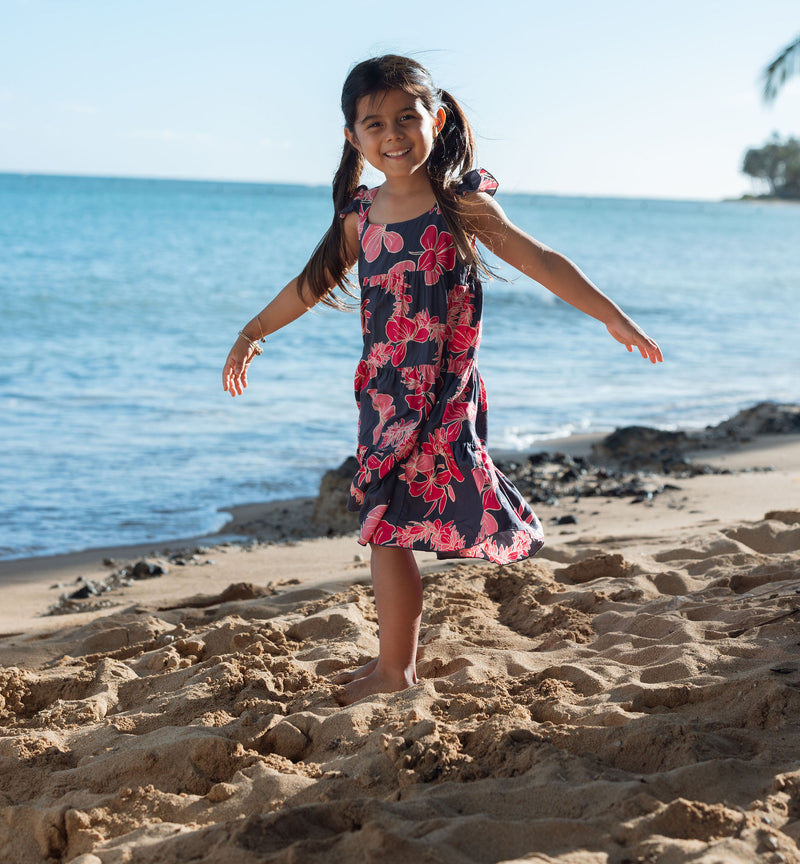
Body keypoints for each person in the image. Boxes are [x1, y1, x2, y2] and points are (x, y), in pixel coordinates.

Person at [222, 55, 662, 705]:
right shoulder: (360, 217)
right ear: (353, 137)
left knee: (385, 523)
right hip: (383, 396)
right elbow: (312, 283)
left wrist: (612, 316)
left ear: (438, 118)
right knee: (386, 525)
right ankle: (394, 667)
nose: (392, 134)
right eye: (374, 124)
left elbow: (538, 258)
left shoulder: (460, 203)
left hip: (442, 393)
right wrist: (253, 331)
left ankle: (395, 669)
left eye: (407, 117)